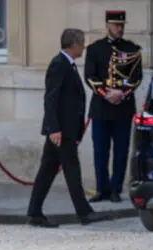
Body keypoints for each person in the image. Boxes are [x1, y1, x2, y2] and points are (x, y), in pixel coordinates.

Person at [27, 28, 107, 228]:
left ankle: (35, 211)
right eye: (82, 43)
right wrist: (54, 128)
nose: (84, 47)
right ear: (74, 44)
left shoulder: (68, 65)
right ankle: (84, 212)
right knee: (72, 170)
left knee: (47, 171)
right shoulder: (59, 65)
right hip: (61, 131)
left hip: (66, 129)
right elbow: (51, 98)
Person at [84, 10, 143, 203]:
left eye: (122, 25)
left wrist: (122, 93)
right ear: (108, 25)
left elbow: (136, 77)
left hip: (122, 108)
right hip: (101, 107)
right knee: (100, 151)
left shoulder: (132, 49)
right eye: (116, 25)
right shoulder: (95, 49)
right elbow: (90, 76)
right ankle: (102, 189)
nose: (120, 28)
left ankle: (116, 189)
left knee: (121, 151)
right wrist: (106, 93)